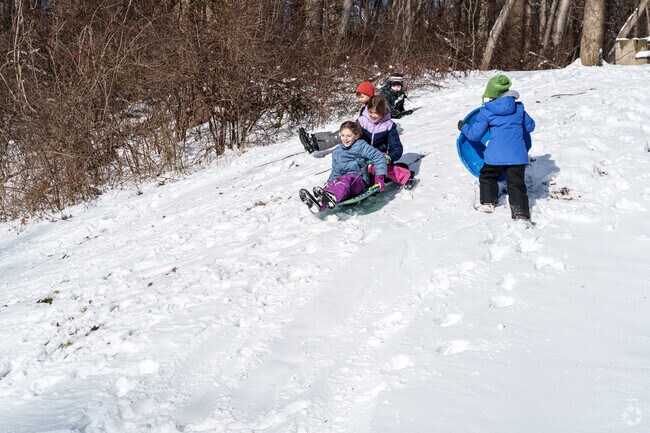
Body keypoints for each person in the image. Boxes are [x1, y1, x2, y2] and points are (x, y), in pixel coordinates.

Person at [458, 74, 536, 220]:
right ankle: (520, 213)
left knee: (487, 176)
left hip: (495, 157)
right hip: (517, 157)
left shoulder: (486, 111)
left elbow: (475, 135)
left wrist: (464, 127)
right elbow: (530, 127)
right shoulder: (519, 108)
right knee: (517, 184)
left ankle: (488, 202)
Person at [299, 121, 387, 212]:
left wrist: (379, 177)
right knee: (334, 183)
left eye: (348, 136)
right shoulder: (337, 152)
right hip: (342, 179)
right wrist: (329, 182)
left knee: (346, 181)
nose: (345, 139)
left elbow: (379, 157)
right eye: (342, 135)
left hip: (359, 180)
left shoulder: (361, 146)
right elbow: (335, 171)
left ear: (356, 136)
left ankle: (332, 196)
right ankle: (320, 203)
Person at [299, 81, 375, 154]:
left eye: (362, 97)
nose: (360, 99)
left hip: (365, 134)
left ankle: (315, 144)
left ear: (369, 95)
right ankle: (314, 139)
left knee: (342, 134)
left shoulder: (373, 107)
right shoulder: (366, 106)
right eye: (359, 97)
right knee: (342, 131)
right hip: (360, 130)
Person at [357, 95, 413, 186]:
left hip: (379, 157)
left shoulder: (389, 125)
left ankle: (404, 175)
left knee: (376, 168)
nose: (373, 115)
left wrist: (389, 157)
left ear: (382, 112)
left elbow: (396, 146)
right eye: (370, 112)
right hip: (362, 156)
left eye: (376, 113)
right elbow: (354, 139)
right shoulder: (361, 121)